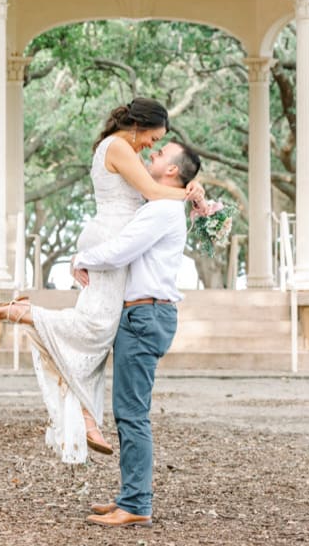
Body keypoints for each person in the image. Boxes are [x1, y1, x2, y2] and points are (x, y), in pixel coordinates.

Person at [0, 98, 203, 463]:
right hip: (110, 241)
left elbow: (151, 196)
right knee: (95, 328)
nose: (152, 146)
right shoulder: (118, 146)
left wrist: (189, 197)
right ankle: (23, 312)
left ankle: (87, 417)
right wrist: (190, 196)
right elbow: (151, 194)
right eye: (154, 138)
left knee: (102, 333)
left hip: (115, 241)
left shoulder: (120, 147)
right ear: (140, 125)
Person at [73, 140, 201, 528]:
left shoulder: (162, 209)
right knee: (129, 413)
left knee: (132, 415)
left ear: (173, 171)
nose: (152, 155)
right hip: (144, 314)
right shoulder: (160, 204)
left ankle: (136, 504)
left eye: (160, 154)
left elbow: (120, 250)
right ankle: (129, 497)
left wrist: (80, 259)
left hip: (146, 316)